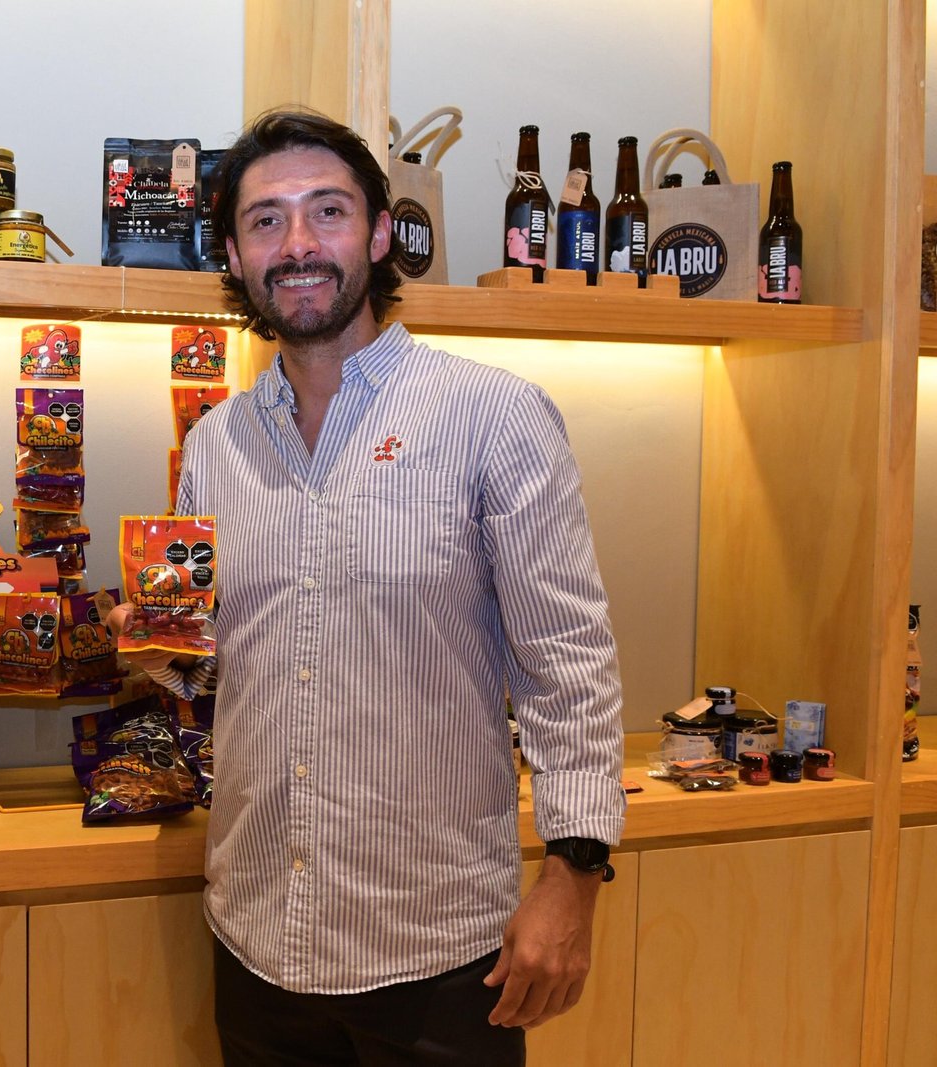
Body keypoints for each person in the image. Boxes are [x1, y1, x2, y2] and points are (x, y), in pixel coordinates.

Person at [107, 110, 626, 1065]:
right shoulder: (215, 445)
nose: (298, 244)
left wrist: (574, 877)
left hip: (437, 955)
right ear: (235, 255)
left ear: (381, 234)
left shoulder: (493, 416)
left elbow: (568, 664)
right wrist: (160, 649)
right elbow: (220, 671)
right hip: (257, 940)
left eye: (328, 211)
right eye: (266, 221)